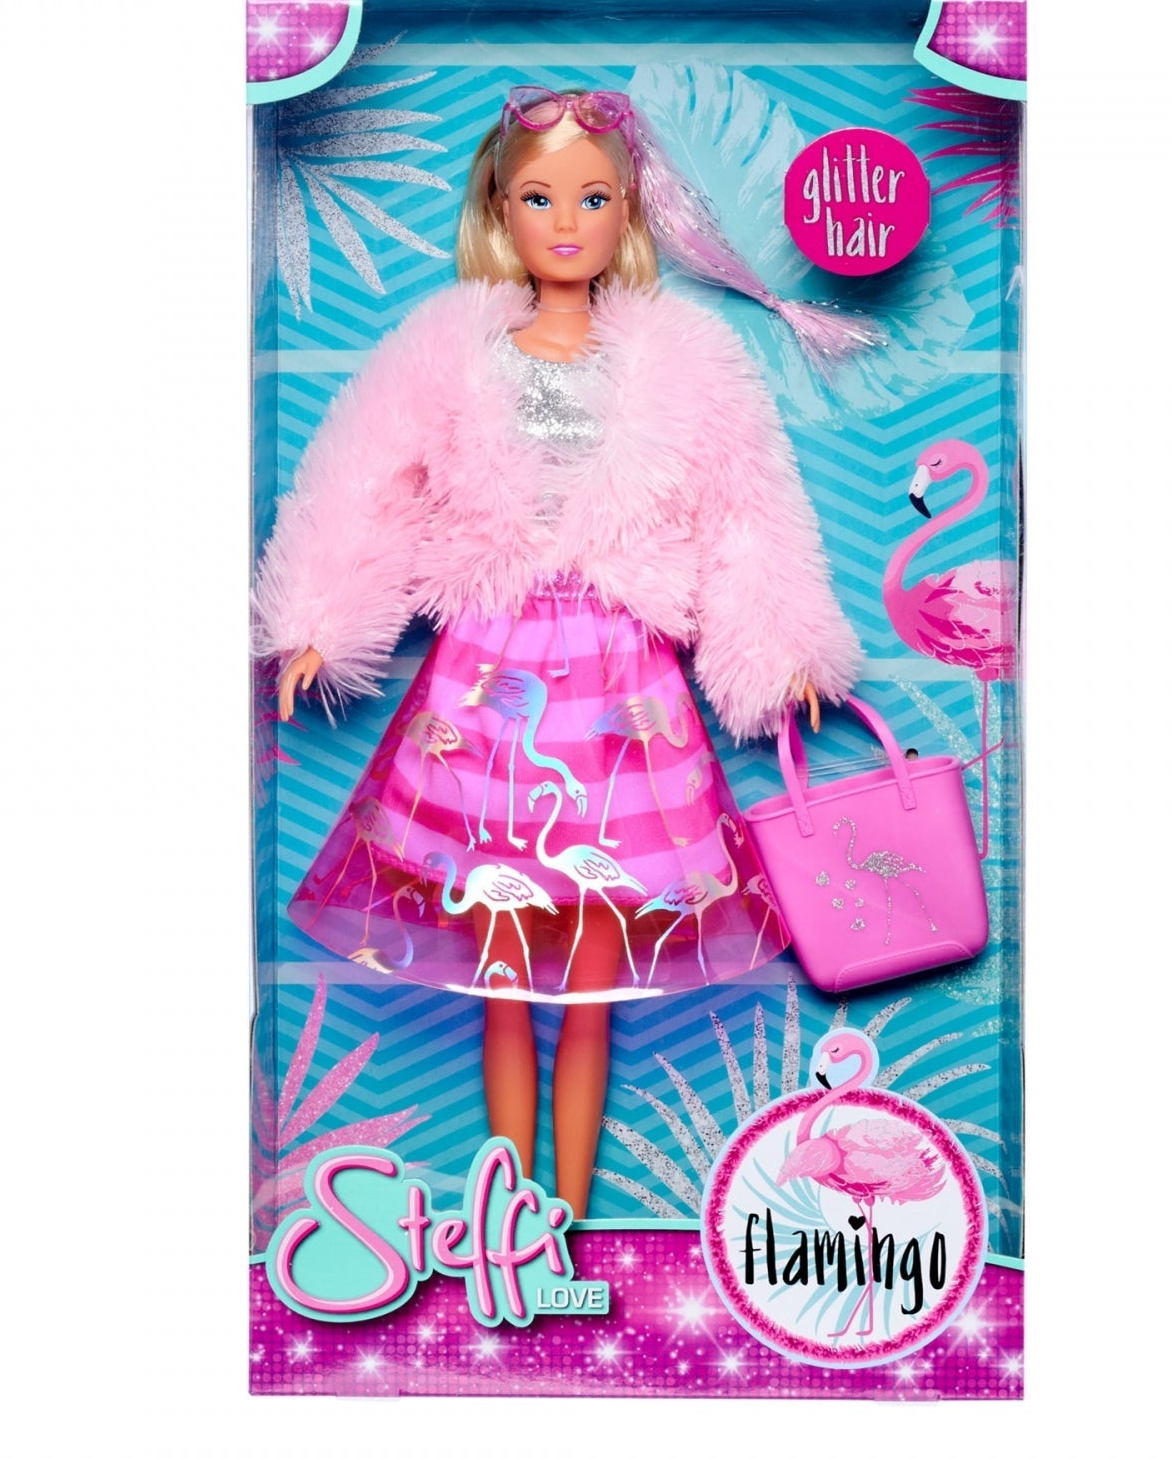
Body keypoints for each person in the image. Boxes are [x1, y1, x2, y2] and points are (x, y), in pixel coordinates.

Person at [253, 86, 866, 1217]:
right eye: (539, 198)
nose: (567, 222)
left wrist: (780, 640)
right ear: (500, 208)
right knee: (503, 978)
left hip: (623, 692)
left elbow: (744, 505)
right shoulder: (449, 348)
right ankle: (511, 1221)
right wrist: (319, 617)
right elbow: (370, 474)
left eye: (592, 198)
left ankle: (565, 1227)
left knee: (592, 988)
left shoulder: (685, 357)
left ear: (628, 208)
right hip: (488, 683)